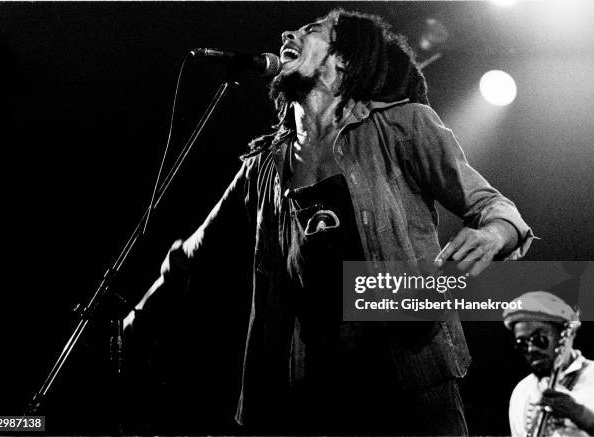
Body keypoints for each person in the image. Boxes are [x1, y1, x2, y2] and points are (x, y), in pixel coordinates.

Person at [128, 9, 533, 435]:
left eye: (312, 30)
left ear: (344, 59)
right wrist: (137, 316)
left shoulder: (402, 125)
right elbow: (194, 251)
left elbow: (496, 208)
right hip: (311, 395)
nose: (289, 32)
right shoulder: (265, 164)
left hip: (408, 380)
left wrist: (494, 233)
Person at [503, 291, 594, 436]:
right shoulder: (522, 391)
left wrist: (580, 414)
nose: (531, 349)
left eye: (539, 339)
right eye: (522, 343)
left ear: (565, 335)